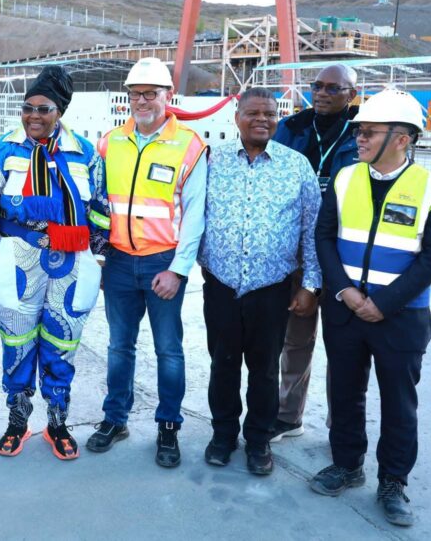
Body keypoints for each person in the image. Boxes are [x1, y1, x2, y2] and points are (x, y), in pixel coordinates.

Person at [309, 88, 431, 527]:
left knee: (398, 402)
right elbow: (324, 238)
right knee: (345, 393)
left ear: (402, 138)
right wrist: (346, 293)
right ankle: (347, 463)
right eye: (359, 131)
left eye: (369, 132)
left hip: (401, 317)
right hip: (345, 311)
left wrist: (384, 303)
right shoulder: (344, 178)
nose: (360, 139)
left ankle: (393, 481)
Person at [0, 65, 110, 460]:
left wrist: (97, 257)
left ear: (59, 111)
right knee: (16, 343)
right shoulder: (3, 151)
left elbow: (99, 208)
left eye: (43, 108)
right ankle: (17, 421)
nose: (33, 116)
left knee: (62, 343)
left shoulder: (84, 153)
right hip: (18, 261)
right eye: (27, 107)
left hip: (71, 262)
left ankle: (57, 422)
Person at [87, 57, 208, 469]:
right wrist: (99, 256)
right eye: (135, 93)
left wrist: (178, 270)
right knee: (119, 347)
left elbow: (194, 216)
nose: (142, 101)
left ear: (167, 96)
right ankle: (115, 419)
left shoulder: (189, 145)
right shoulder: (110, 142)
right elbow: (98, 204)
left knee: (168, 350)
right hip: (119, 262)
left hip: (163, 263)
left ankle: (168, 426)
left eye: (151, 93)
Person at [198, 87, 321, 476]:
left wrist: (310, 285)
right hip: (220, 284)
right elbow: (190, 216)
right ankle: (222, 435)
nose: (262, 120)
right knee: (223, 364)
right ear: (237, 117)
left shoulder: (296, 165)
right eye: (253, 113)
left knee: (265, 369)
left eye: (270, 113)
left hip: (272, 288)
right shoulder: (210, 162)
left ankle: (258, 441)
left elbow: (311, 230)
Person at [270, 64, 359, 442]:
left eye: (333, 88)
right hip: (297, 252)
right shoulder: (290, 129)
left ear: (352, 95)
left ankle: (341, 427)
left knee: (344, 350)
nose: (322, 93)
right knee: (295, 340)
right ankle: (288, 418)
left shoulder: (364, 132)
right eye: (317, 86)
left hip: (344, 257)